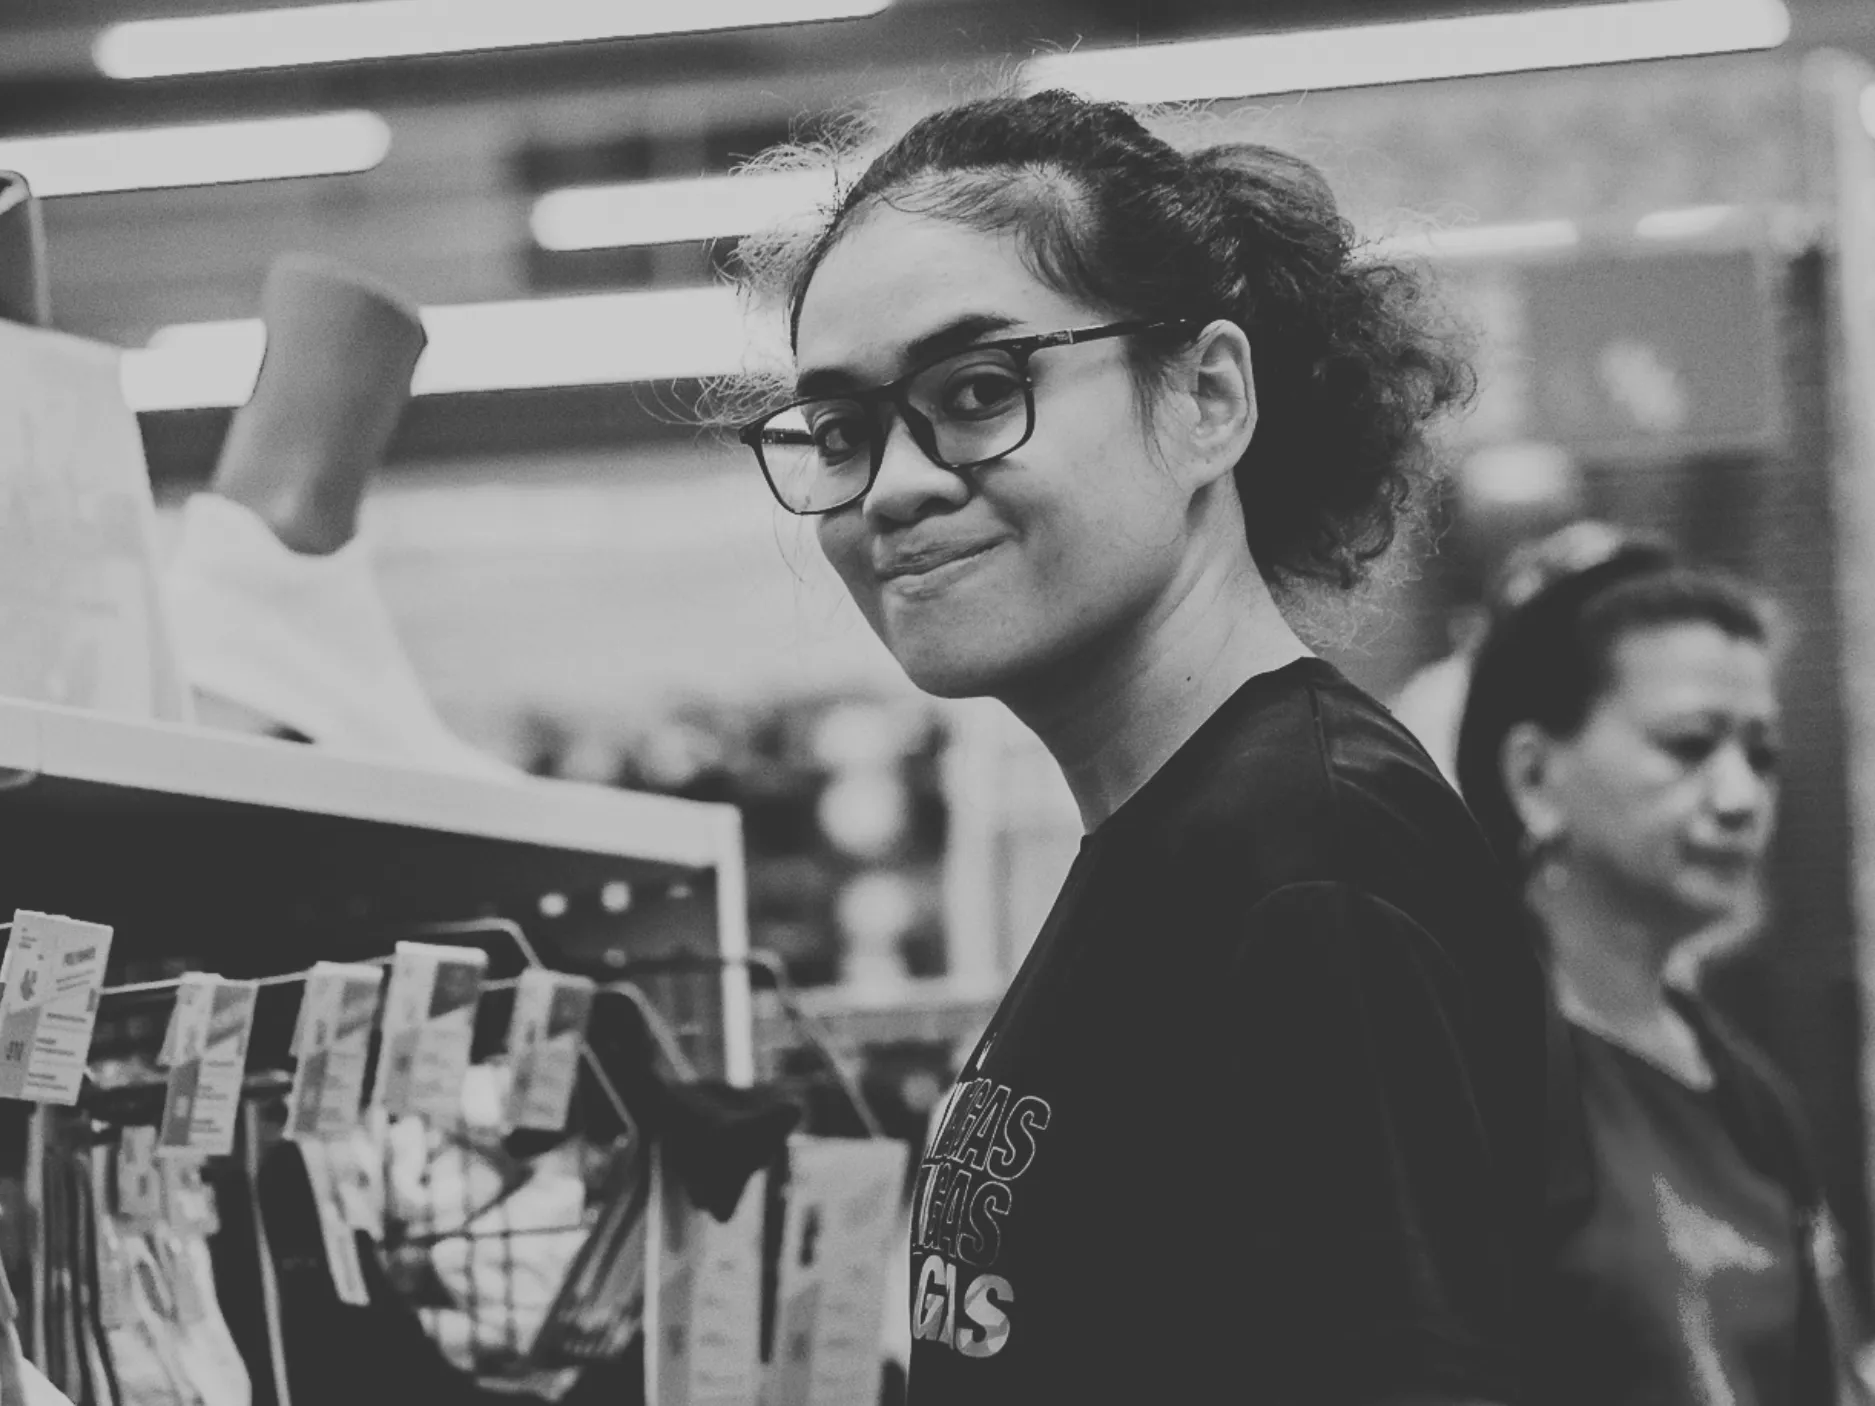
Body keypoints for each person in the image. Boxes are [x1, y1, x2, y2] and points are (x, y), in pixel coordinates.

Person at [725, 89, 1549, 1404]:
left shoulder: (1307, 857)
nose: (890, 487)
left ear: (1207, 397)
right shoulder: (1185, 835)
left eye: (978, 389)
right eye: (839, 431)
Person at [1454, 536, 1873, 1405]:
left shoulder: (1747, 1095)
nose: (1738, 797)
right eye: (1689, 746)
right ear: (1533, 774)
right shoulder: (1461, 1059)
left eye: (1761, 755)